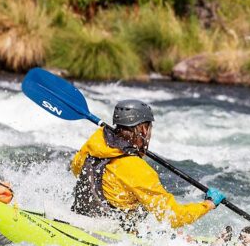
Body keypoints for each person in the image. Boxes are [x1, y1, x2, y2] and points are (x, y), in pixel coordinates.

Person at [70, 99, 226, 231]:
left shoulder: (96, 143)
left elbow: (76, 168)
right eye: (150, 128)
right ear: (143, 129)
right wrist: (207, 204)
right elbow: (172, 217)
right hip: (111, 235)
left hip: (79, 218)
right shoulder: (137, 169)